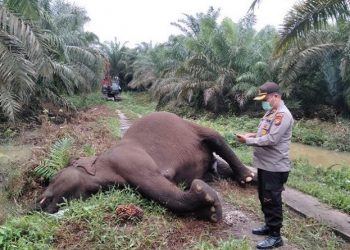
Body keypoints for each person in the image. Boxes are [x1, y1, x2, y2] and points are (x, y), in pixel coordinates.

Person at [236, 82, 294, 249]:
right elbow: (264, 133)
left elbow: (272, 139)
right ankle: (269, 226)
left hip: (275, 167)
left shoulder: (283, 115)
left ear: (276, 96)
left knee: (273, 201)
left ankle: (276, 236)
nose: (264, 102)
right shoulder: (271, 112)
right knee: (264, 197)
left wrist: (248, 141)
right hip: (264, 165)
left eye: (266, 98)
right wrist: (251, 134)